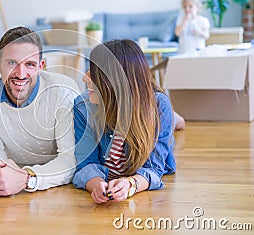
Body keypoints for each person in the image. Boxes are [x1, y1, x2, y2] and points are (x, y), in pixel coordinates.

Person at [0, 26, 79, 196]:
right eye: (12, 63)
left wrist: (27, 178)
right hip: (8, 184)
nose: (21, 74)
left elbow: (70, 159)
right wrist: (2, 176)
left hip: (57, 190)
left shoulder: (62, 92)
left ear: (41, 66)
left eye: (29, 64)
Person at [72, 39, 176, 203]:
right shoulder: (82, 106)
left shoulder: (159, 106)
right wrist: (96, 184)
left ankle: (176, 119)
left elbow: (154, 168)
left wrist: (131, 184)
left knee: (169, 114)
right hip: (126, 109)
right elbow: (85, 163)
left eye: (94, 73)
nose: (85, 78)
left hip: (145, 109)